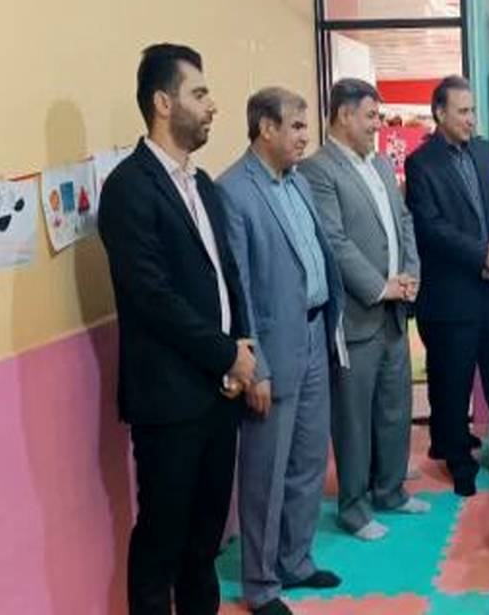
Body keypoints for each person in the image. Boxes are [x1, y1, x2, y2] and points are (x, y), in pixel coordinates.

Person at [98, 43, 256, 615]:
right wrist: (225, 353)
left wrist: (243, 348)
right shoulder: (129, 188)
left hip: (219, 392)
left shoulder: (202, 184)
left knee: (205, 542)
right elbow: (153, 298)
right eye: (200, 93)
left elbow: (226, 276)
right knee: (161, 541)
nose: (213, 105)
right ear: (163, 103)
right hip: (169, 399)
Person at [218, 88, 344, 613]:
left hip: (315, 334)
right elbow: (239, 288)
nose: (303, 137)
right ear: (265, 128)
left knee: (309, 458)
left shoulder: (298, 182)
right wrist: (257, 368)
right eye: (295, 126)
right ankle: (261, 583)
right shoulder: (233, 191)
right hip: (272, 350)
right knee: (265, 471)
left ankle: (296, 559)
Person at [300, 79, 426, 540]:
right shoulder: (318, 170)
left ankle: (390, 490)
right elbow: (334, 240)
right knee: (354, 418)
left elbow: (404, 221)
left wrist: (410, 273)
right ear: (344, 115)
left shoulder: (379, 164)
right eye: (371, 116)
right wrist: (379, 286)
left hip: (395, 310)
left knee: (395, 406)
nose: (378, 125)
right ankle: (353, 507)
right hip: (357, 314)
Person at [404, 76, 489, 497]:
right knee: (453, 384)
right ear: (440, 113)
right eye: (463, 111)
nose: (471, 119)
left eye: (473, 111)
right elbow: (430, 228)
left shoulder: (484, 152)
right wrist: (479, 254)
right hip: (452, 295)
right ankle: (459, 463)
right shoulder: (422, 164)